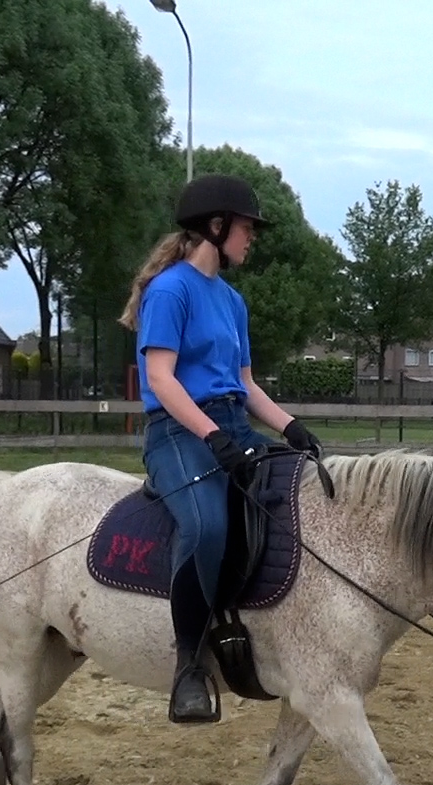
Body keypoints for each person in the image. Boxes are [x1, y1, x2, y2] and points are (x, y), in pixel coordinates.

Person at [118, 174, 324, 723]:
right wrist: (211, 436)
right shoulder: (170, 290)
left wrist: (292, 429)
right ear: (215, 226)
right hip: (179, 433)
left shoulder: (232, 301)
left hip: (231, 425)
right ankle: (189, 666)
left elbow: (246, 384)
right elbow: (161, 378)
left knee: (298, 492)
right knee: (207, 526)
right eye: (246, 227)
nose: (251, 236)